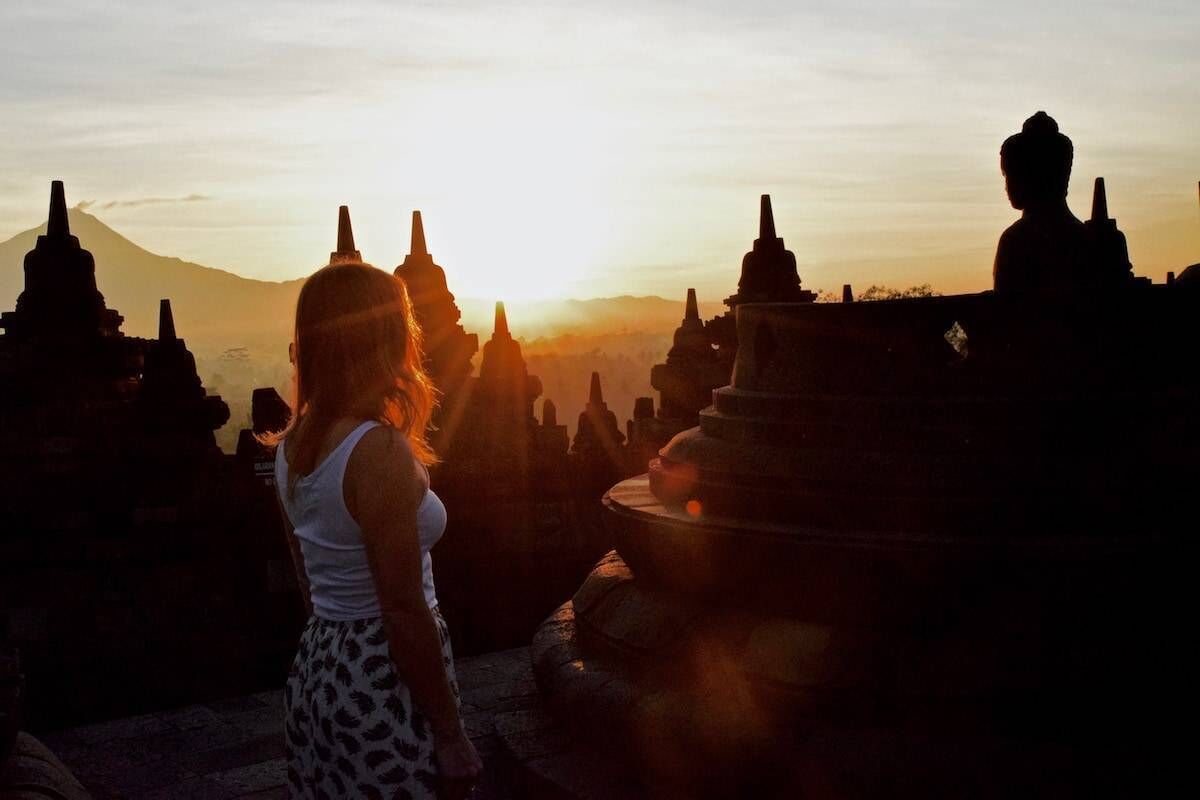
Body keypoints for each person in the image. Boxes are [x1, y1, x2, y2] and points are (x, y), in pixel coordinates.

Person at [266, 260, 482, 799]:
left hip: (320, 666)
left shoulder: (291, 446)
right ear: (381, 338)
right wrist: (451, 734)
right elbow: (402, 608)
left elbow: (308, 578)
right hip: (382, 677)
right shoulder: (376, 450)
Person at [993, 111, 1092, 293]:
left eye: (1009, 175)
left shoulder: (1015, 241)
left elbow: (1008, 311)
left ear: (1029, 176)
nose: (1006, 186)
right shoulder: (1087, 239)